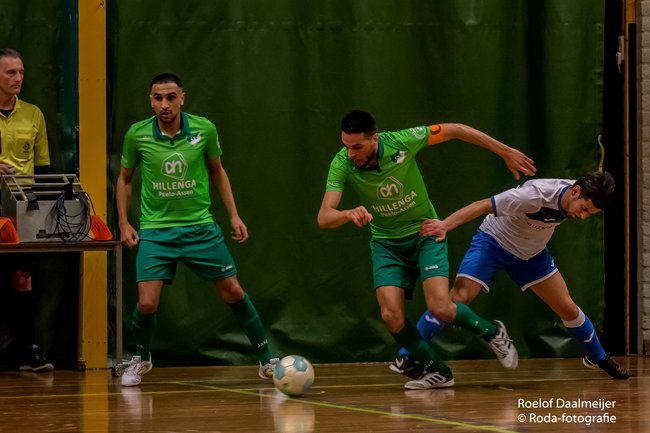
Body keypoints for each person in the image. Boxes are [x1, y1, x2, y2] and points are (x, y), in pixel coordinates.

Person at [318, 110, 536, 389]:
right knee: (390, 316)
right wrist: (348, 214)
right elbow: (325, 217)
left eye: (357, 147)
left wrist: (505, 151)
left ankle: (493, 332)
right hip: (386, 243)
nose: (350, 153)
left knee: (440, 306)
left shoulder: (402, 140)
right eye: (346, 146)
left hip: (425, 233)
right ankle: (438, 371)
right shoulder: (342, 163)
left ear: (374, 139)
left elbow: (456, 128)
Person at [116, 73, 277, 387]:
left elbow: (218, 171)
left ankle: (266, 358)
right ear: (150, 100)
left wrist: (233, 215)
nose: (164, 104)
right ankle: (141, 357)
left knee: (233, 291)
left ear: (182, 97)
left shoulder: (204, 129)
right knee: (147, 303)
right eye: (158, 98)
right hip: (156, 231)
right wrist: (123, 222)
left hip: (200, 228)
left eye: (171, 97)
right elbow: (123, 180)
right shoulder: (137, 135)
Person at [394, 171, 630, 380]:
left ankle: (598, 358)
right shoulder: (533, 195)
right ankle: (409, 354)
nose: (583, 216)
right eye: (584, 209)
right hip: (493, 242)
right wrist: (444, 225)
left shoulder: (575, 194)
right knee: (457, 298)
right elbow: (483, 205)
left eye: (591, 213)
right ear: (575, 191)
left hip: (532, 254)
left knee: (567, 308)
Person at [0, 48, 53, 372]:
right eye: (10, 73)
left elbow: (44, 168)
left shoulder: (34, 114)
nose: (18, 78)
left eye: (20, 72)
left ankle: (26, 352)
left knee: (22, 277)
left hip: (22, 206)